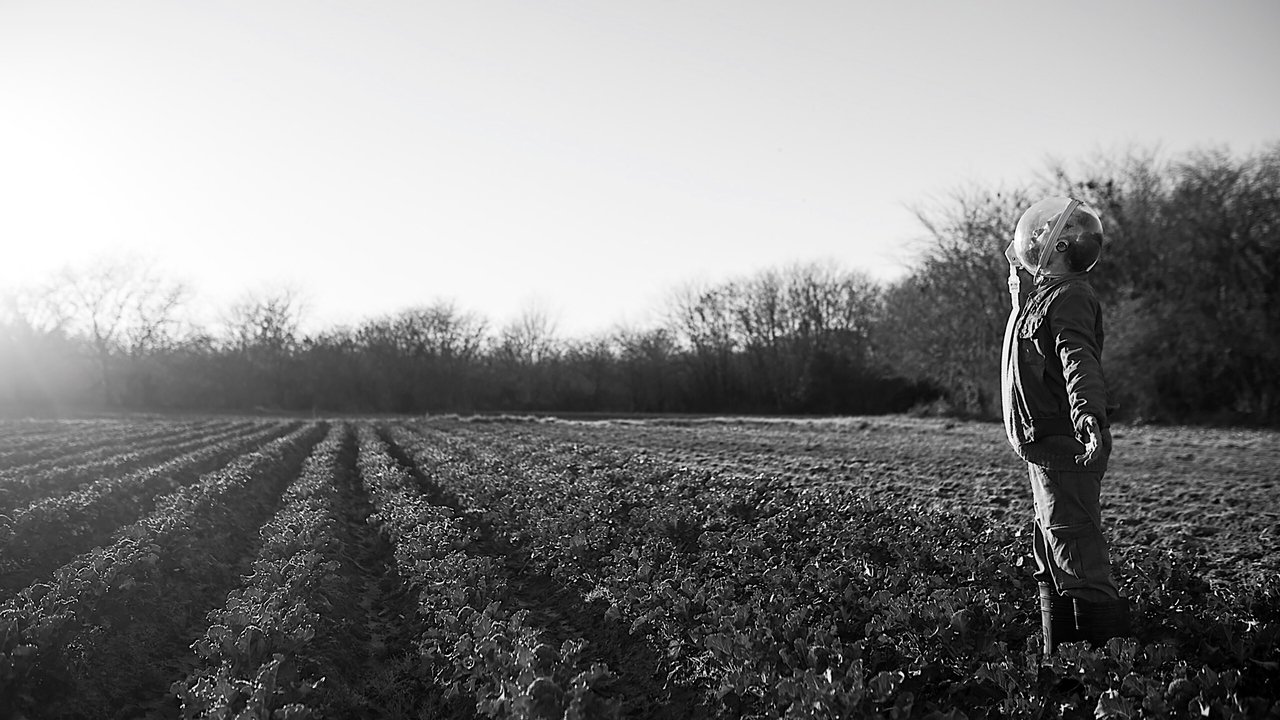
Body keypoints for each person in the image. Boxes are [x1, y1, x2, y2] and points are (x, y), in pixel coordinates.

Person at [1001, 196, 1130, 655]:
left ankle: (1107, 678)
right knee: (1051, 558)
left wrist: (1088, 418)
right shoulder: (1046, 295)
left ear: (1059, 248)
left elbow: (1079, 359)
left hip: (1066, 444)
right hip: (1044, 446)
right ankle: (1060, 668)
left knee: (1078, 558)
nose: (1033, 238)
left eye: (1043, 233)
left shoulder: (1071, 295)